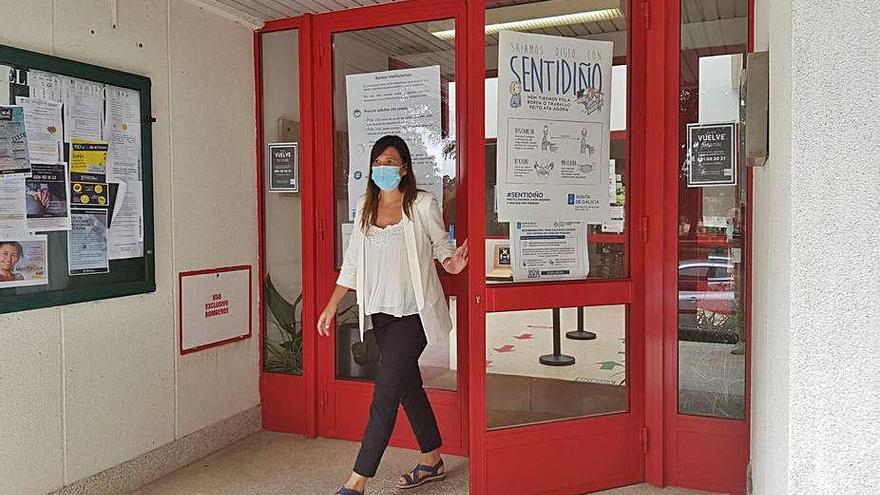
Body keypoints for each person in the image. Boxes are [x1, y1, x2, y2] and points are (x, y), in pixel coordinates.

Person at [317, 135, 468, 495]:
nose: (384, 168)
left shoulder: (422, 204)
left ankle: (357, 481)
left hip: (413, 314)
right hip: (380, 314)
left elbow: (440, 244)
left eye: (391, 161)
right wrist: (333, 303)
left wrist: (452, 262)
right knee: (407, 386)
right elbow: (353, 261)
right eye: (378, 162)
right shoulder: (365, 207)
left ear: (404, 168)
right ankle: (432, 459)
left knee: (385, 392)